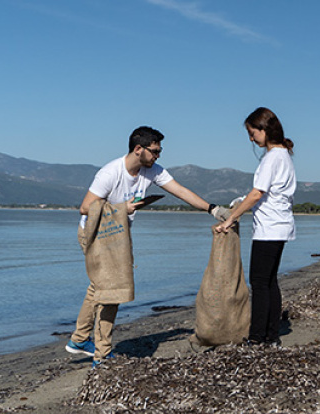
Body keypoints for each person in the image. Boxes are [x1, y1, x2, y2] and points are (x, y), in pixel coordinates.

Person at [67, 126, 227, 366]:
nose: (158, 156)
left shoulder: (152, 170)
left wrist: (212, 209)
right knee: (111, 290)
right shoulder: (110, 173)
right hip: (94, 234)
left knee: (99, 287)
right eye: (154, 151)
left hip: (117, 235)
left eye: (159, 151)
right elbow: (85, 207)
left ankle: (79, 340)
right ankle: (101, 356)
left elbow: (180, 191)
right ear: (138, 149)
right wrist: (124, 208)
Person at [214, 108, 296, 347]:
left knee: (260, 282)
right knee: (270, 281)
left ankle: (257, 337)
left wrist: (231, 218)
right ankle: (271, 336)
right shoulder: (285, 156)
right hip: (281, 226)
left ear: (264, 130)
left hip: (269, 227)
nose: (251, 139)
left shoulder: (272, 158)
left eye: (252, 133)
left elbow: (257, 194)